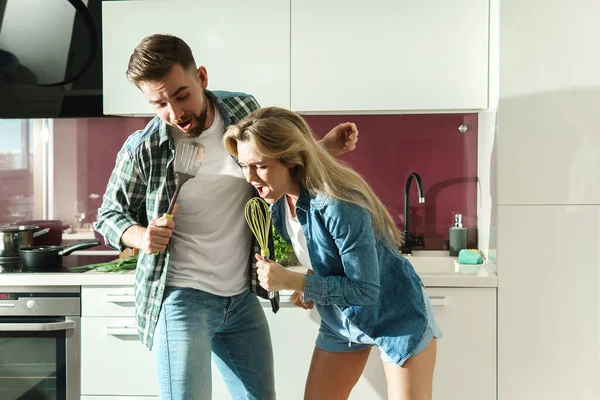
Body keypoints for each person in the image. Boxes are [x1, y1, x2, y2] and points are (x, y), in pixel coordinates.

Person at [94, 34, 358, 400]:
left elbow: (277, 158)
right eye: (159, 104)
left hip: (240, 297)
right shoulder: (144, 147)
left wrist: (321, 148)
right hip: (182, 298)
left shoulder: (242, 110)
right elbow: (108, 215)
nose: (174, 113)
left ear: (201, 77)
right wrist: (140, 236)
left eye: (181, 95)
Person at [223, 106, 442, 400]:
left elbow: (365, 290)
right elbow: (322, 253)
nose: (249, 177)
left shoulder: (338, 206)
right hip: (341, 322)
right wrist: (312, 282)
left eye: (259, 166)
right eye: (243, 165)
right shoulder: (278, 202)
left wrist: (295, 282)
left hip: (395, 317)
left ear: (291, 161)